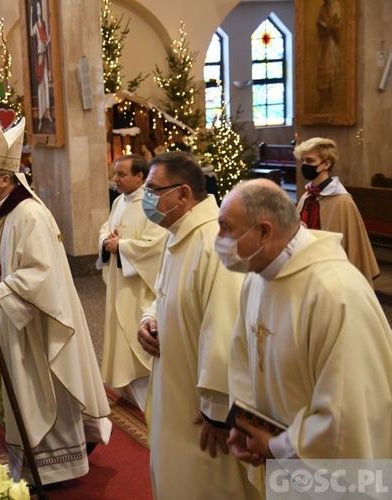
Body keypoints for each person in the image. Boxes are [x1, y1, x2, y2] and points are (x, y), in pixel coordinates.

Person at [0, 111, 111, 485]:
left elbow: (42, 275)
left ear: (5, 178)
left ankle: (55, 464)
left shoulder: (30, 214)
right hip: (14, 316)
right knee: (21, 383)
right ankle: (31, 458)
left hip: (36, 320)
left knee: (40, 385)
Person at [219, 179, 392, 470]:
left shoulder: (335, 294)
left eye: (226, 227)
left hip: (332, 477)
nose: (219, 238)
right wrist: (247, 424)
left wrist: (276, 446)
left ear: (263, 231)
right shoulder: (256, 276)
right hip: (281, 464)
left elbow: (348, 413)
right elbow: (242, 358)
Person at [136, 152, 258, 499]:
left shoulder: (215, 243)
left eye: (153, 190)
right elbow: (162, 294)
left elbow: (223, 332)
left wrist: (218, 415)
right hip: (174, 389)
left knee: (205, 482)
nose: (147, 199)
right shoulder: (177, 234)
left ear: (184, 194)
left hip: (202, 414)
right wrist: (149, 319)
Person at [97, 154, 166, 410]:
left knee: (136, 337)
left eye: (121, 174)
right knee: (120, 335)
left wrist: (122, 246)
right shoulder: (119, 202)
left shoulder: (152, 205)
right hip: (118, 284)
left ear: (140, 176)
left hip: (138, 289)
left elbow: (157, 245)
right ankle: (129, 393)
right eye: (115, 173)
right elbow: (106, 227)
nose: (115, 179)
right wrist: (106, 241)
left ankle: (149, 397)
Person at [294, 137, 378, 285]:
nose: (305, 165)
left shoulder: (342, 201)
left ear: (327, 164)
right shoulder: (306, 196)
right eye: (303, 161)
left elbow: (352, 247)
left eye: (310, 161)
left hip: (331, 273)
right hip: (306, 267)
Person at [29, 0, 52, 131]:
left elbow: (46, 40)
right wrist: (30, 13)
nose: (39, 11)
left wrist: (49, 38)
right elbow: (32, 34)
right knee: (40, 86)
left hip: (44, 55)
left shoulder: (43, 24)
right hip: (39, 57)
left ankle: (47, 111)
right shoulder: (35, 26)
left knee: (46, 85)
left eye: (39, 8)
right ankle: (42, 113)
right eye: (36, 9)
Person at [317, 0, 341, 110]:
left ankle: (331, 100)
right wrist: (323, 27)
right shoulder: (323, 8)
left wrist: (333, 28)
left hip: (331, 44)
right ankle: (323, 101)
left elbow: (338, 25)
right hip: (324, 44)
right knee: (323, 69)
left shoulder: (336, 6)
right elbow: (319, 24)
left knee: (331, 69)